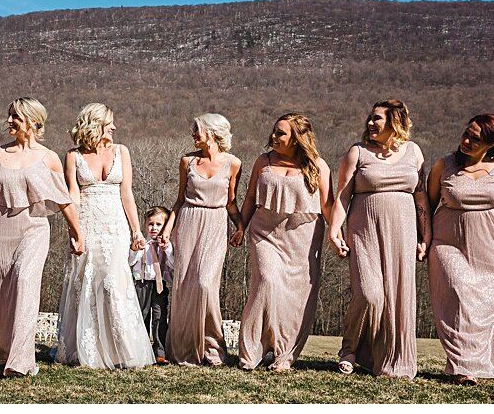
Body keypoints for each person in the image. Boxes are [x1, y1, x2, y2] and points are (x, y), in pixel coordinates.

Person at [0, 97, 81, 377]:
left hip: (34, 229)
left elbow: (63, 200)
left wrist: (76, 232)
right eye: (9, 115)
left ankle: (21, 361)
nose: (9, 121)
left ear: (33, 122)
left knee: (25, 280)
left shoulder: (48, 158)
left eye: (16, 117)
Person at [328, 99, 428, 378]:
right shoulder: (357, 153)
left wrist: (424, 235)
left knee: (397, 298)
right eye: (370, 119)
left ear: (395, 123)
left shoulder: (414, 153)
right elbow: (343, 196)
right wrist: (334, 231)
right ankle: (349, 349)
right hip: (365, 231)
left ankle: (387, 359)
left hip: (403, 233)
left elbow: (420, 197)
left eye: (377, 119)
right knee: (370, 294)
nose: (370, 123)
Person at [55, 102, 156, 369]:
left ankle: (121, 349)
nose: (114, 126)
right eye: (110, 122)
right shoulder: (73, 156)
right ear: (96, 124)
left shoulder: (121, 152)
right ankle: (88, 350)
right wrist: (74, 232)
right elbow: (72, 197)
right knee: (87, 281)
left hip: (115, 226)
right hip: (87, 223)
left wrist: (136, 231)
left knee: (113, 281)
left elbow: (127, 194)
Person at [427, 114, 494, 385]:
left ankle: (471, 362)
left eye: (476, 139)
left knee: (480, 304)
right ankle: (461, 365)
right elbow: (427, 206)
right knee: (459, 294)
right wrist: (424, 239)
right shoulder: (443, 166)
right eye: (466, 133)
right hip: (447, 243)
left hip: (489, 245)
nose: (466, 141)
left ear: (492, 143)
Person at [238, 112, 331, 372]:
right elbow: (249, 198)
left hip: (303, 236)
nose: (274, 137)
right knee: (266, 282)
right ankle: (251, 351)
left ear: (297, 138)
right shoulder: (263, 161)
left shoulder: (318, 166)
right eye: (274, 131)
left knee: (295, 297)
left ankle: (283, 354)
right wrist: (241, 226)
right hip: (264, 231)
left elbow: (328, 204)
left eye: (281, 133)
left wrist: (336, 235)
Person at [165, 113, 242, 367]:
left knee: (205, 284)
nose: (193, 134)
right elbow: (179, 200)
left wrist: (240, 227)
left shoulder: (233, 164)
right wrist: (167, 229)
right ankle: (185, 348)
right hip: (188, 223)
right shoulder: (187, 160)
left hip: (215, 223)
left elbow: (231, 202)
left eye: (196, 129)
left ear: (210, 132)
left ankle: (213, 348)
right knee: (185, 286)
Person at [130, 206, 174, 363]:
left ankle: (160, 352)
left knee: (159, 318)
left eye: (158, 224)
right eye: (150, 224)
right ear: (145, 225)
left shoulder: (168, 246)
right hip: (141, 284)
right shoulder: (142, 243)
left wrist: (167, 249)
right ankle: (140, 350)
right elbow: (130, 262)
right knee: (142, 316)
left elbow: (174, 265)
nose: (154, 228)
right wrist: (135, 249)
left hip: (159, 286)